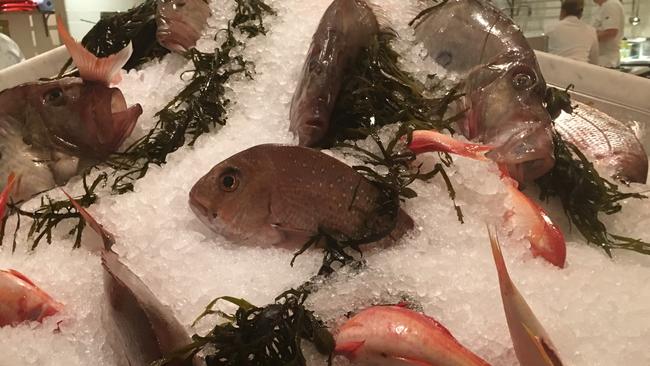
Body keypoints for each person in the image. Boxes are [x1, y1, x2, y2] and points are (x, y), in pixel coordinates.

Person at [592, 0, 625, 68]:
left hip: (607, 61)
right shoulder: (602, 7)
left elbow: (611, 32)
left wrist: (587, 38)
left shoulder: (611, 4)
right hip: (602, 60)